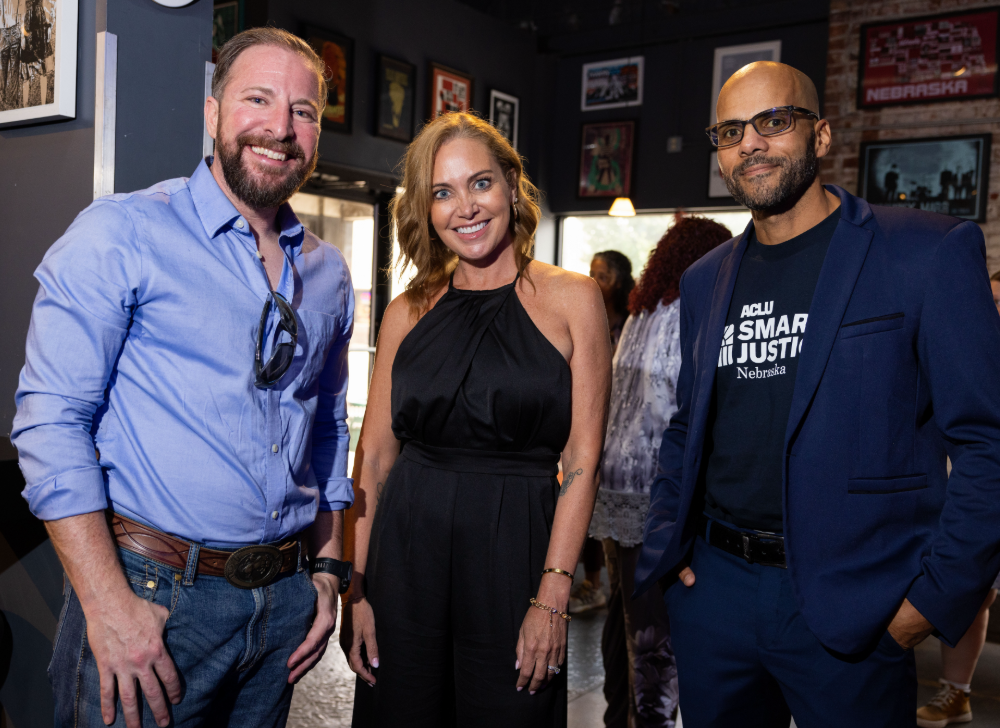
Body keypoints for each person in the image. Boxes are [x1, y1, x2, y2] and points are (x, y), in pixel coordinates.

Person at [633, 61, 1000, 725]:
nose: (751, 143)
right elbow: (686, 428)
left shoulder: (924, 252)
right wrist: (669, 550)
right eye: (730, 131)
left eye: (774, 121)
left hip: (857, 608)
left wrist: (934, 598)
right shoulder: (703, 279)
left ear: (822, 136)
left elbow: (987, 441)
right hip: (716, 596)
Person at [11, 28, 355, 728]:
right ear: (212, 111)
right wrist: (110, 608)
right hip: (155, 598)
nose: (281, 128)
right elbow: (50, 426)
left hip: (283, 603)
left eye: (304, 110)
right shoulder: (121, 234)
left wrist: (327, 572)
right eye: (257, 98)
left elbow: (325, 427)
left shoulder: (328, 274)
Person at [339, 111, 612, 727]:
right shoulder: (406, 312)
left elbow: (582, 461)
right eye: (442, 192)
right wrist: (357, 590)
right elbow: (376, 458)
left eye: (479, 183)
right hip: (404, 558)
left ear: (512, 186)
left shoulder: (574, 299)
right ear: (427, 211)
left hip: (518, 552)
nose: (465, 207)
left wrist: (555, 593)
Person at [592, 216, 732, 728]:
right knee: (653, 637)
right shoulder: (690, 312)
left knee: (624, 621)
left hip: (615, 491)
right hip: (657, 493)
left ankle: (617, 717)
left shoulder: (641, 311)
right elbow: (682, 412)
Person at [917, 271, 1000, 727]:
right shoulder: (963, 346)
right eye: (987, 299)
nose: (992, 309)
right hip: (967, 497)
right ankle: (958, 692)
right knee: (973, 595)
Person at [570, 250, 635, 615]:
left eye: (603, 275)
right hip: (589, 415)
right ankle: (592, 582)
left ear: (620, 281)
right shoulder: (586, 313)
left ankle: (609, 583)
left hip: (620, 422)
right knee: (586, 502)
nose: (595, 280)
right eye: (592, 272)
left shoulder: (631, 321)